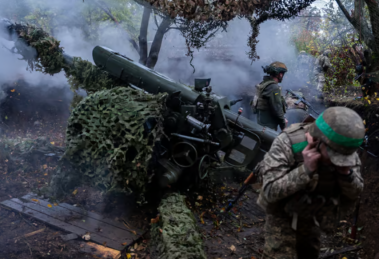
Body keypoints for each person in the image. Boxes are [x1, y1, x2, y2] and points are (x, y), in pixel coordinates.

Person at [257, 106, 365, 259]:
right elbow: (269, 191)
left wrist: (346, 174)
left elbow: (356, 192)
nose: (340, 161)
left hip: (314, 214)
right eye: (335, 156)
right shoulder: (288, 142)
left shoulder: (344, 147)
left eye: (344, 157)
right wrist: (305, 170)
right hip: (283, 214)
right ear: (318, 140)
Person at [251, 62, 288, 131]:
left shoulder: (264, 83)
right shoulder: (273, 87)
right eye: (282, 73)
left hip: (262, 123)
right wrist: (283, 125)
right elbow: (277, 109)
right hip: (268, 127)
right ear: (279, 74)